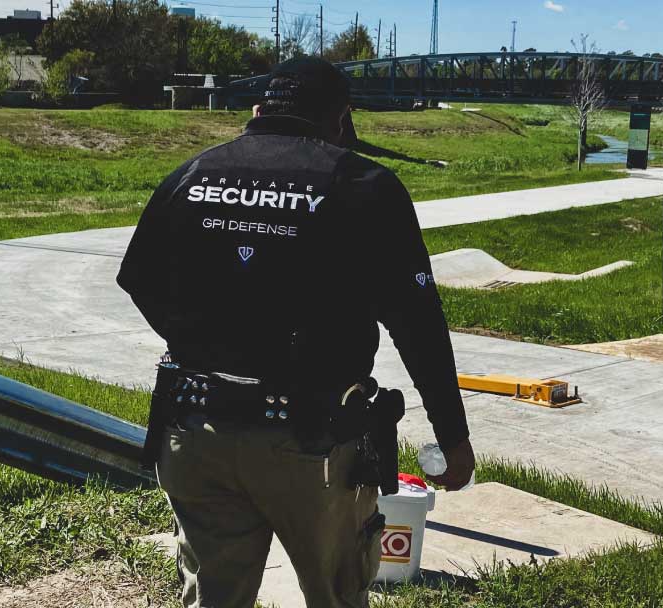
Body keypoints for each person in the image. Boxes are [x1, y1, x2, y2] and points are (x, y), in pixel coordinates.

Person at [116, 57, 475, 608]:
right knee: (336, 593)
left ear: (258, 110)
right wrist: (452, 435)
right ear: (341, 119)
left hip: (196, 431)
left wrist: (203, 339)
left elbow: (137, 277)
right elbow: (418, 324)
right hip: (313, 444)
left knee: (213, 598)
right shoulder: (364, 185)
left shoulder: (194, 174)